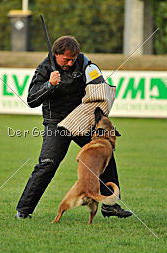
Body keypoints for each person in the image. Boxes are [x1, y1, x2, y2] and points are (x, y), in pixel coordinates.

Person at [15, 36, 132, 219]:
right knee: (48, 164)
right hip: (57, 123)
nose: (70, 63)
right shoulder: (45, 68)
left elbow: (99, 88)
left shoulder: (86, 65)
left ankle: (110, 205)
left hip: (81, 120)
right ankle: (24, 210)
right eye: (66, 59)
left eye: (73, 59)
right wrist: (49, 84)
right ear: (56, 54)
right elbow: (31, 100)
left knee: (104, 154)